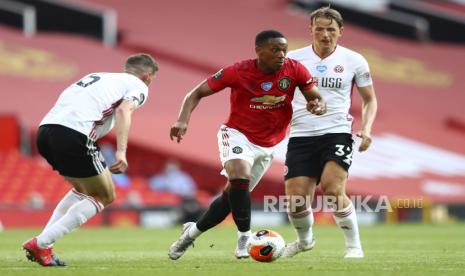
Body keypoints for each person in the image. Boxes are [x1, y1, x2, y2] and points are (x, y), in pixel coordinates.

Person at [168, 30, 326, 260]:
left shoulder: (295, 69)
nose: (281, 54)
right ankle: (244, 236)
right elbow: (196, 92)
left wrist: (318, 105)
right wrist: (182, 119)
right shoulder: (238, 71)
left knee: (230, 199)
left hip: (269, 143)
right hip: (237, 134)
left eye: (284, 49)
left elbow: (316, 97)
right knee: (239, 175)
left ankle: (190, 233)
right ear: (259, 51)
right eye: (275, 50)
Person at [22, 53, 158, 266]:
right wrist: (121, 151)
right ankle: (41, 242)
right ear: (148, 75)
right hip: (74, 134)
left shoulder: (98, 76)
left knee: (84, 190)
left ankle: (44, 245)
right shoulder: (139, 85)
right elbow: (124, 110)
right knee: (106, 195)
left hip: (46, 131)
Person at [281, 6, 378, 259]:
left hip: (336, 131)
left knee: (333, 189)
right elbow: (281, 96)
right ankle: (304, 242)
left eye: (331, 30)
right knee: (296, 200)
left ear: (341, 31)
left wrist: (366, 129)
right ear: (310, 29)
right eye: (320, 29)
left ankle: (354, 246)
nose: (325, 34)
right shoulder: (293, 58)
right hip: (301, 134)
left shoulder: (354, 60)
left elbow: (369, 100)